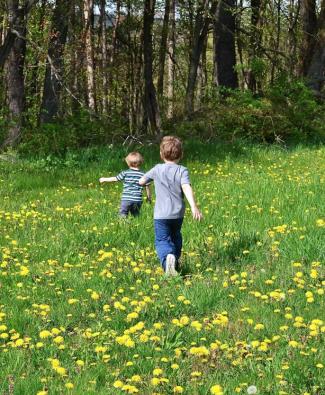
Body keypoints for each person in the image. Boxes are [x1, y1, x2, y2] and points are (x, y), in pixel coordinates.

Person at [139, 136, 202, 275]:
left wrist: (143, 180)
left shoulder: (157, 169)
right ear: (181, 154)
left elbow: (142, 181)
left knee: (162, 240)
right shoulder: (182, 170)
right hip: (177, 214)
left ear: (161, 154)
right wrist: (194, 206)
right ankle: (175, 260)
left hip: (161, 215)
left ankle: (167, 259)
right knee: (175, 236)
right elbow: (186, 187)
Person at [99, 152, 151, 217]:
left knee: (122, 214)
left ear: (128, 163)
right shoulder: (144, 174)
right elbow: (147, 187)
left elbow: (115, 179)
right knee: (136, 215)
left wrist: (104, 179)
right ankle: (136, 225)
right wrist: (149, 198)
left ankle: (124, 225)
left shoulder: (125, 173)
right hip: (137, 200)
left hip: (126, 199)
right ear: (141, 162)